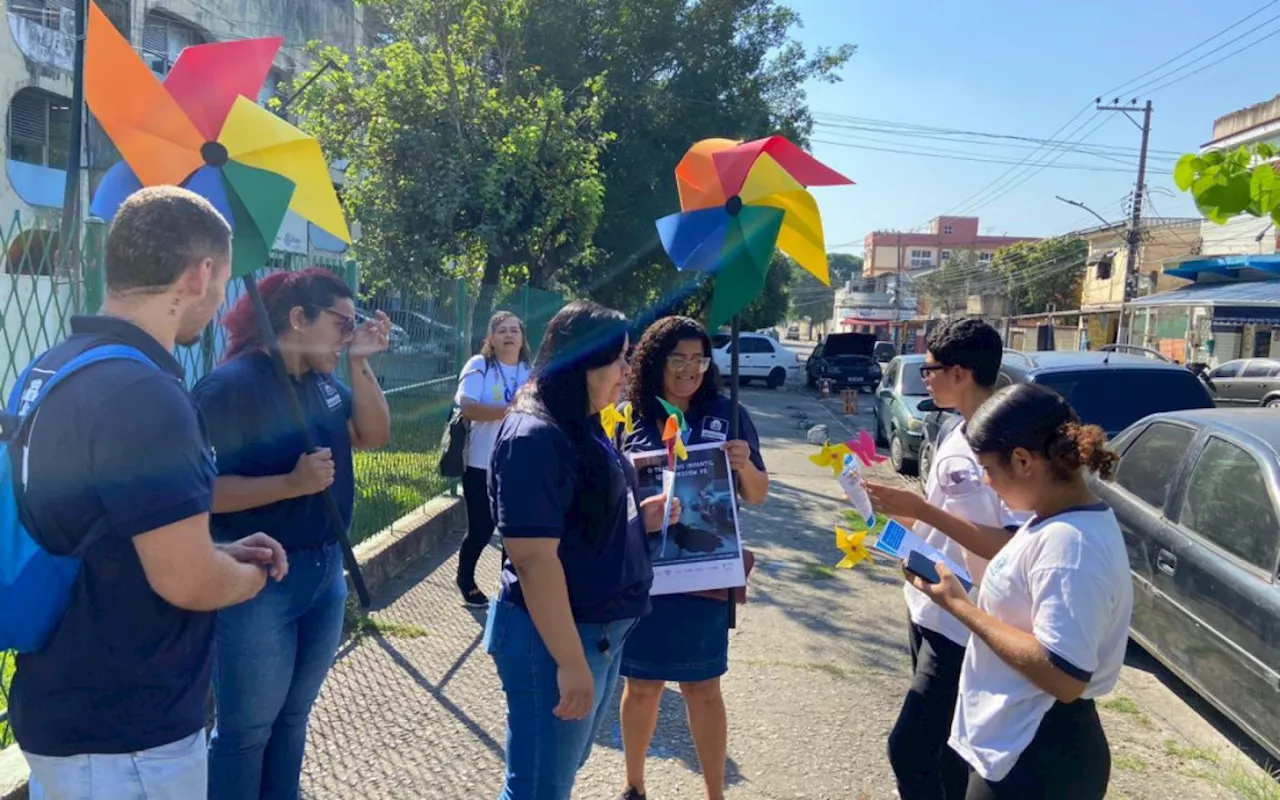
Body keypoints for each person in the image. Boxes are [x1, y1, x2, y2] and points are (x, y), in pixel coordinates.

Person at [10, 186, 288, 800]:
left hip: (65, 696)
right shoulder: (145, 395)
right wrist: (252, 575)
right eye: (221, 285)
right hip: (127, 731)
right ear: (201, 273)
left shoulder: (55, 366)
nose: (218, 303)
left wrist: (220, 551)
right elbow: (186, 581)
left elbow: (116, 527)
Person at [192, 268, 392, 800]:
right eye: (342, 325)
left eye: (354, 325)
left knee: (293, 719)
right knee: (245, 733)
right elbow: (198, 492)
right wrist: (289, 484)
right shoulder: (231, 386)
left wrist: (358, 362)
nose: (350, 334)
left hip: (324, 574)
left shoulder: (322, 382)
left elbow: (372, 435)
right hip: (257, 580)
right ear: (297, 318)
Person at [484, 300, 679, 800]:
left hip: (597, 630)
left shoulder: (580, 417)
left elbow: (581, 514)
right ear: (581, 362)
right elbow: (531, 558)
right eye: (619, 358)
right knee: (538, 787)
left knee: (554, 778)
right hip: (555, 639)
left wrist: (644, 517)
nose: (628, 370)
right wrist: (569, 661)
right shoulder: (535, 434)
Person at [905, 383, 1129, 799]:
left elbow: (1064, 676)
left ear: (1023, 461)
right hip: (1022, 741)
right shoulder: (1052, 519)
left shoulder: (1071, 544)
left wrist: (959, 606)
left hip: (1042, 756)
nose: (987, 482)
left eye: (987, 469)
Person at [862, 318, 1028, 800]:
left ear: (960, 372)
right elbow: (939, 521)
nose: (923, 378)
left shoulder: (1003, 445)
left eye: (929, 368)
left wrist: (920, 509)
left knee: (910, 749)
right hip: (927, 606)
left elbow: (1012, 544)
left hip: (967, 620)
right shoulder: (955, 430)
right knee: (947, 753)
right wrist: (896, 526)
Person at [614, 316, 769, 800]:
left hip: (705, 571)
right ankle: (634, 785)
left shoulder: (729, 412)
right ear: (655, 361)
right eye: (677, 359)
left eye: (698, 359)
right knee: (642, 684)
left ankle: (715, 793)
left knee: (703, 686)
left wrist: (744, 467)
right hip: (644, 574)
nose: (688, 370)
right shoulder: (624, 416)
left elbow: (758, 495)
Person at [454, 311, 532, 607]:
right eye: (501, 330)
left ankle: (507, 586)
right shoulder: (480, 365)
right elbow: (469, 407)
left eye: (515, 330)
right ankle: (465, 578)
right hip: (481, 463)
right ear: (490, 338)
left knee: (513, 529)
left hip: (520, 464)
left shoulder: (530, 371)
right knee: (482, 528)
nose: (508, 335)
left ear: (523, 339)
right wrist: (512, 411)